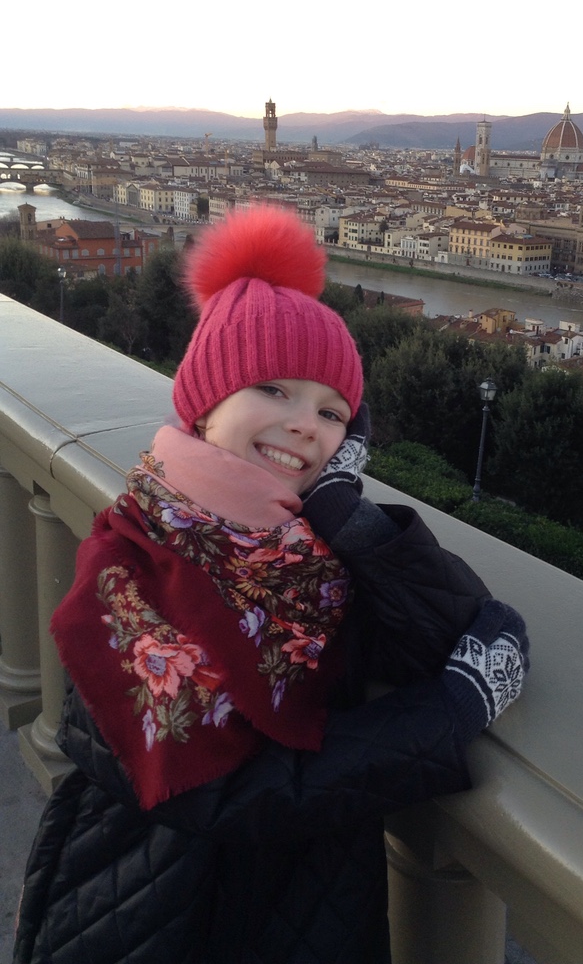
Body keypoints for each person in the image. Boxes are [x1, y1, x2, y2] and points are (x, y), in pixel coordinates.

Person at [13, 206, 529, 964]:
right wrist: (450, 712)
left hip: (306, 909)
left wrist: (351, 518)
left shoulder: (307, 551)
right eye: (273, 389)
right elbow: (227, 793)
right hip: (150, 915)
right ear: (205, 402)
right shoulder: (129, 565)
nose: (306, 425)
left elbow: (441, 629)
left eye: (332, 412)